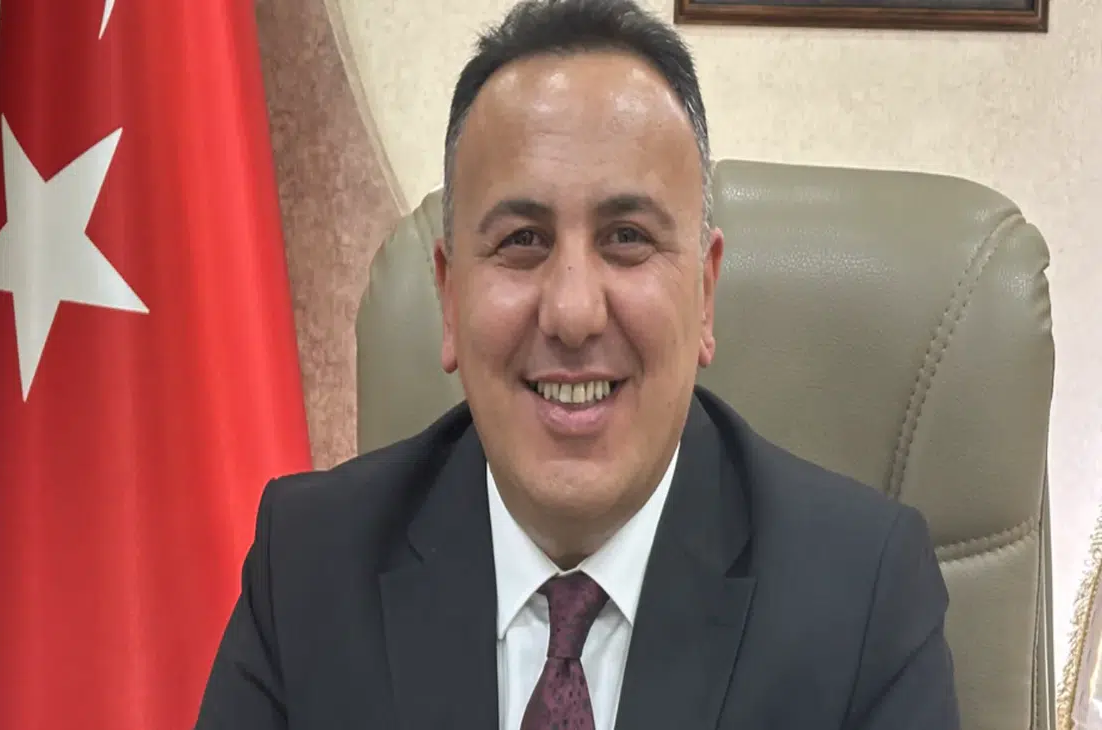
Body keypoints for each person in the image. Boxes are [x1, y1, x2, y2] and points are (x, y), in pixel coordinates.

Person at [195, 0, 961, 728]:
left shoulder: (864, 598)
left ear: (704, 294)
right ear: (449, 298)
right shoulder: (307, 569)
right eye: (522, 241)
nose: (572, 312)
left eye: (627, 238)